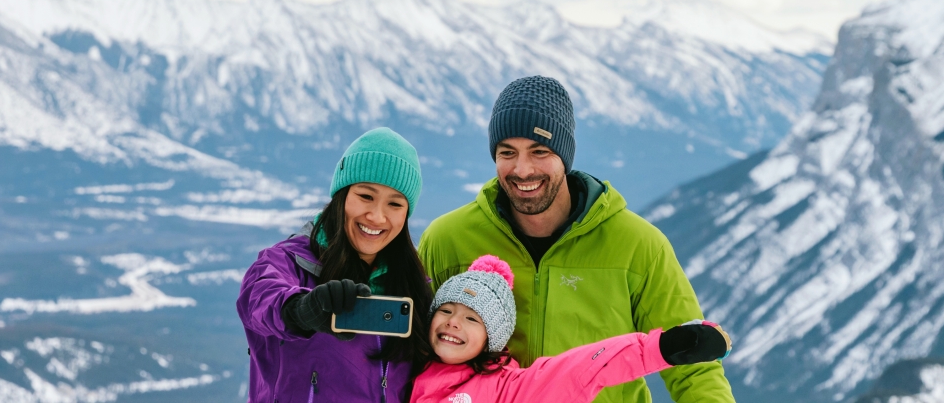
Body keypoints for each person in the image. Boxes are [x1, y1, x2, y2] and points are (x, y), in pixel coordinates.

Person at [419, 76, 736, 403]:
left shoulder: (638, 245)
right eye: (507, 152)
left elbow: (692, 364)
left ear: (565, 155)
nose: (522, 169)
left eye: (539, 150)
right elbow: (400, 347)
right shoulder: (448, 239)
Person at [238, 127, 435, 403]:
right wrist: (301, 310)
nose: (377, 216)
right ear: (341, 197)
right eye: (366, 196)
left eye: (395, 204)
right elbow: (257, 297)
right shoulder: (288, 262)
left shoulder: (413, 287)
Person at [412, 255, 731, 403]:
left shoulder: (511, 389)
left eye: (472, 319)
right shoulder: (401, 364)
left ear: (492, 338)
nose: (453, 321)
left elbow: (584, 368)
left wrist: (661, 348)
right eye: (446, 310)